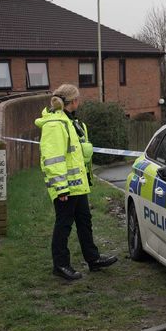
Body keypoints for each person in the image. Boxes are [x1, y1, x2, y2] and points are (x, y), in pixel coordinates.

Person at [35, 84, 117, 281]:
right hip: (66, 187)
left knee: (84, 221)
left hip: (78, 185)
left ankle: (93, 259)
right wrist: (61, 187)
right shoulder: (55, 124)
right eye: (78, 99)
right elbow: (53, 159)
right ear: (73, 102)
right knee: (63, 225)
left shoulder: (71, 122)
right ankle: (61, 265)